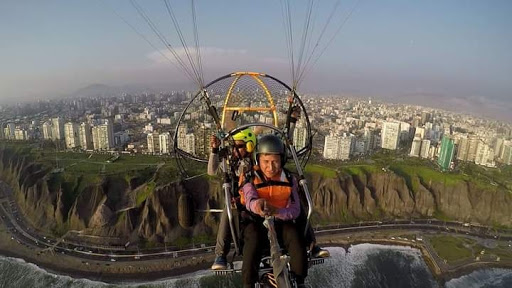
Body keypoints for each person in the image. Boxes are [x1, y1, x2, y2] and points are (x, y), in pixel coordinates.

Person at [241, 134, 308, 287]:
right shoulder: (251, 178)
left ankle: (299, 280)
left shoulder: (289, 180)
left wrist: (277, 211)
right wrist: (257, 205)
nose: (270, 167)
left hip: (280, 221)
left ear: (282, 161)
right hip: (256, 222)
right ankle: (248, 284)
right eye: (266, 162)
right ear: (258, 160)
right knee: (253, 238)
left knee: (294, 235)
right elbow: (249, 197)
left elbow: (295, 210)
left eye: (275, 162)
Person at [208, 128, 256, 270]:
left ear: (250, 146)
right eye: (233, 146)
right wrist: (215, 151)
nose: (235, 150)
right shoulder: (230, 162)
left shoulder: (255, 161)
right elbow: (212, 171)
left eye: (239, 146)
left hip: (254, 201)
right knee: (228, 211)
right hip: (237, 203)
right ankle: (221, 254)